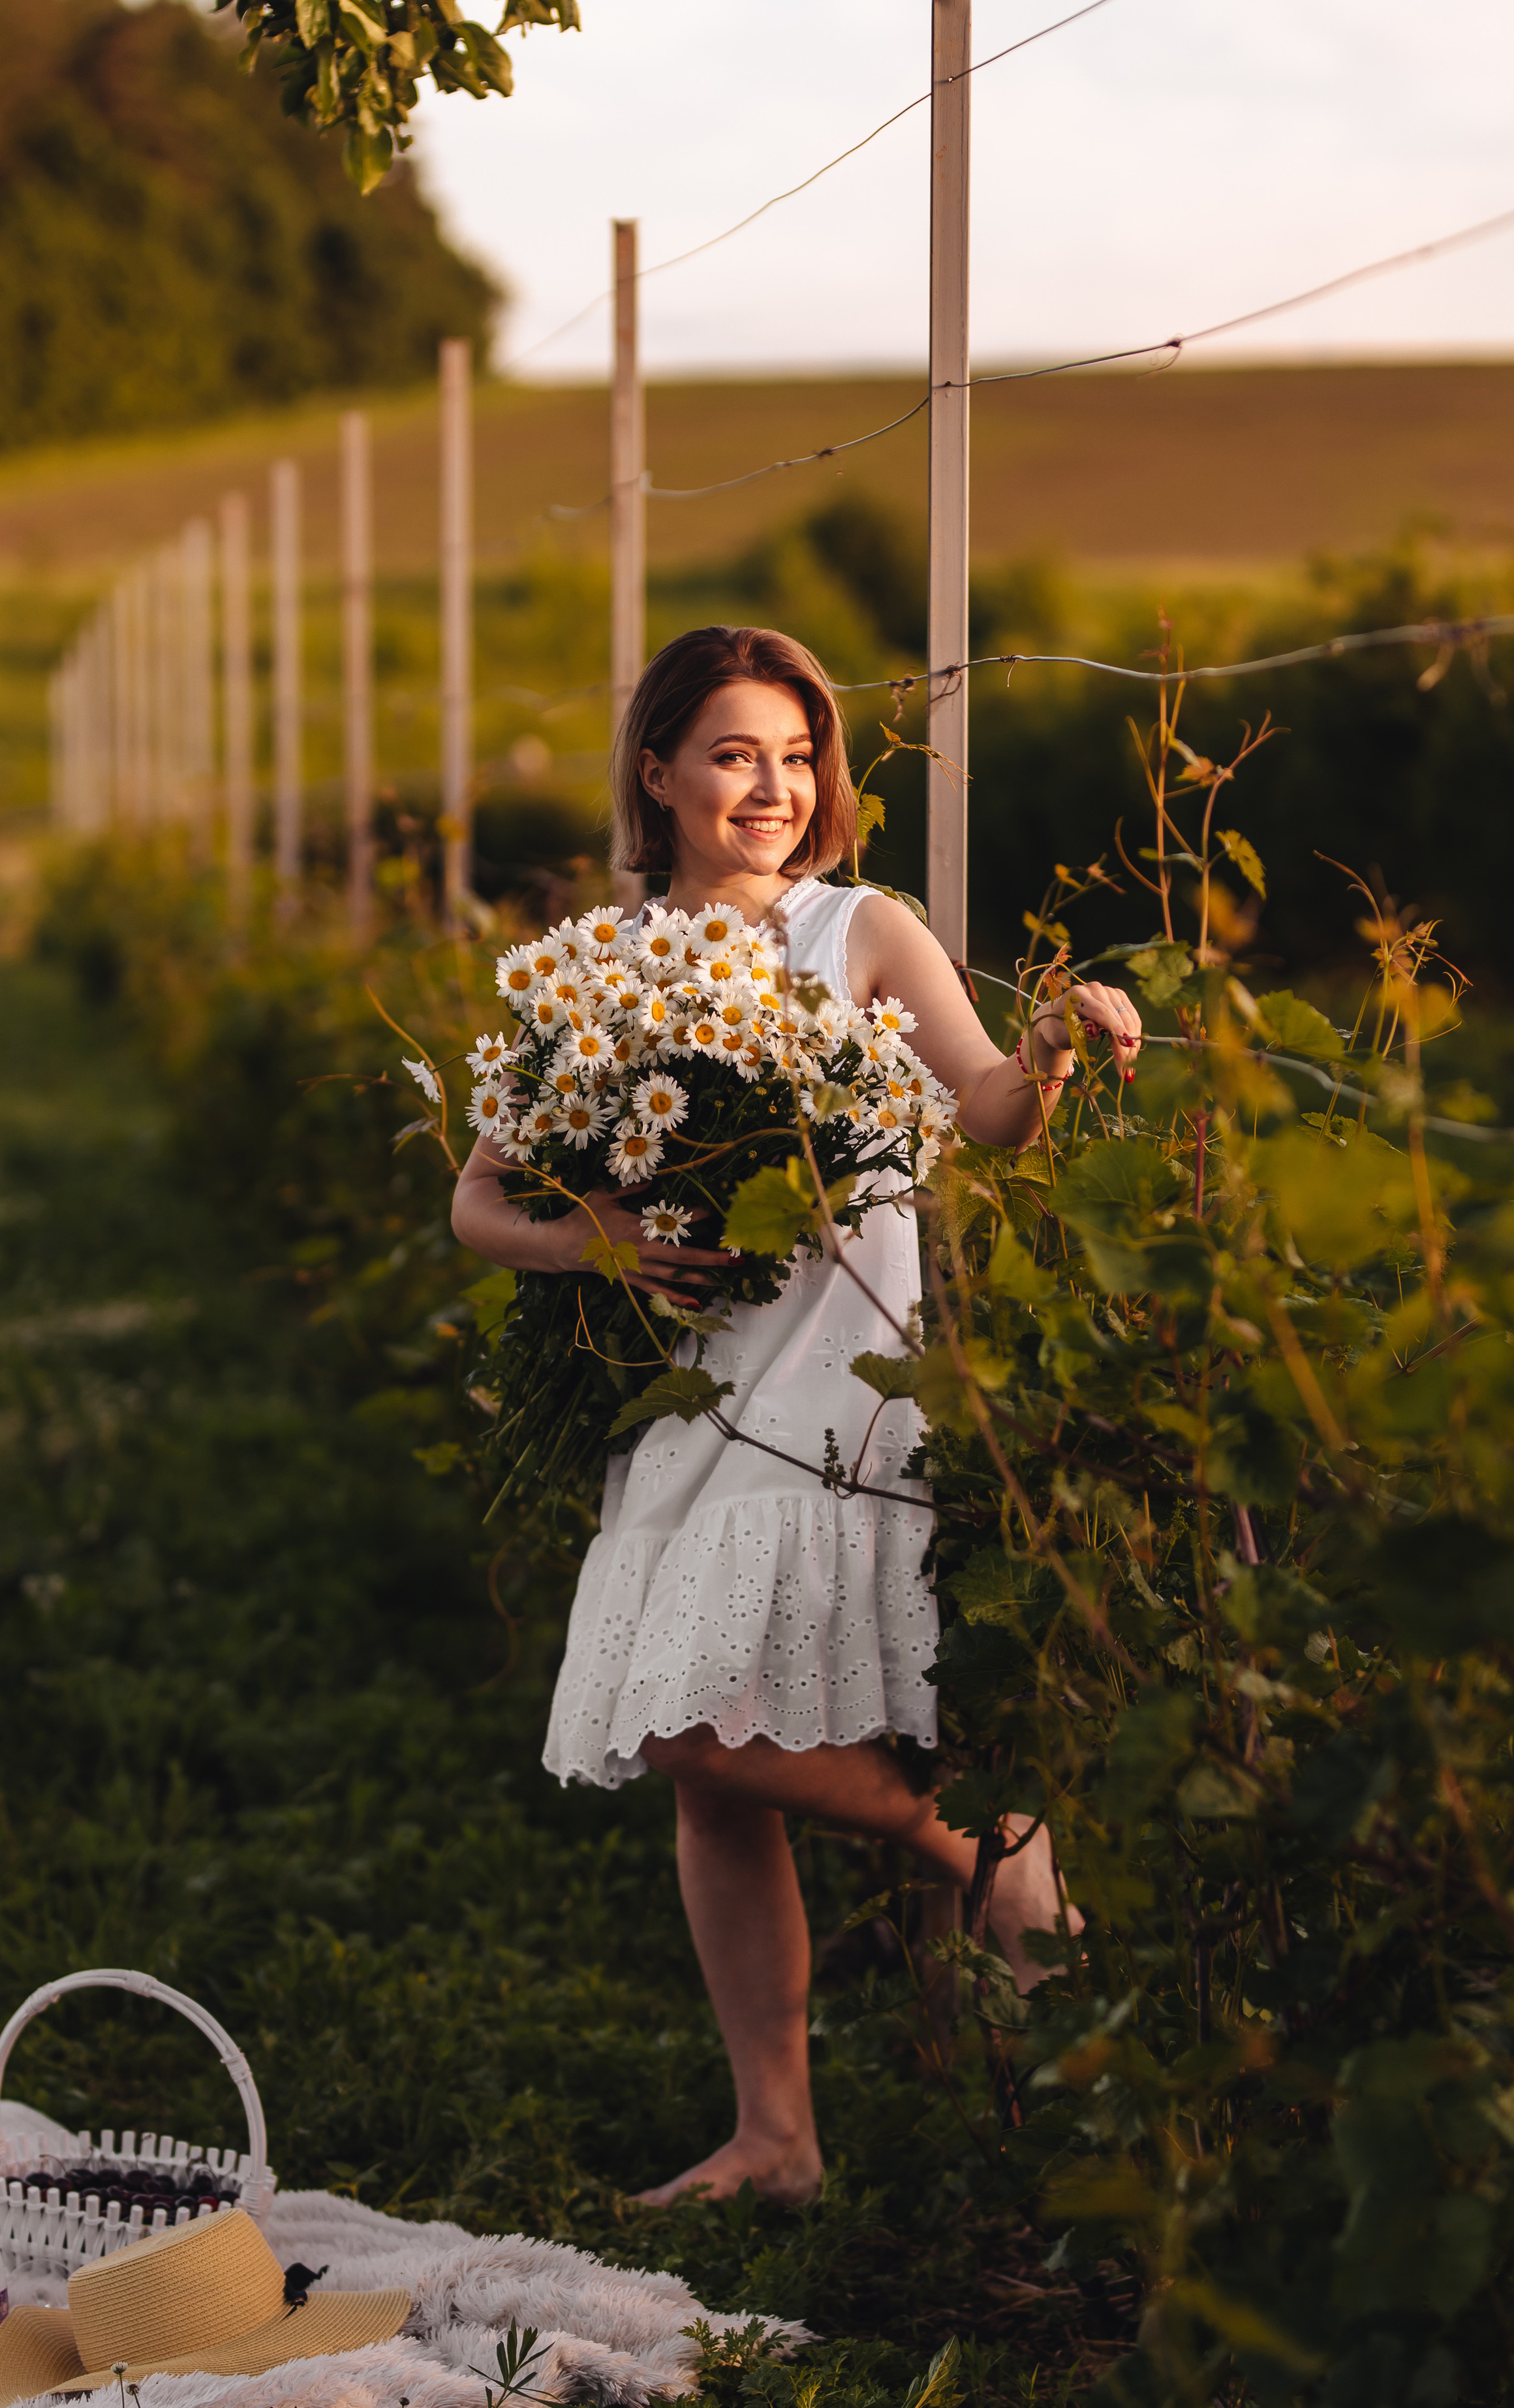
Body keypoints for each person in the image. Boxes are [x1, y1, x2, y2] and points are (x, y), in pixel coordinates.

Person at [451, 626, 1141, 2208]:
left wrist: (1044, 1052)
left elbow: (984, 1112)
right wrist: (591, 1243)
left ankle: (984, 1843)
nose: (771, 786)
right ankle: (778, 2138)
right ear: (658, 772)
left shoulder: (863, 929)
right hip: (684, 1388)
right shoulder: (596, 963)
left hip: (839, 1387)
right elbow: (478, 1202)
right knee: (700, 1766)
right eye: (731, 755)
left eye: (793, 756)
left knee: (707, 1724)